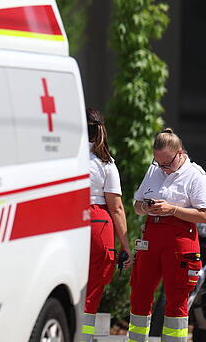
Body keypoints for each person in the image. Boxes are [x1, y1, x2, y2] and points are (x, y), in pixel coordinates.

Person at [127, 129, 206, 342]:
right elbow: (136, 205)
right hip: (151, 237)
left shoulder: (195, 175)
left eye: (167, 164)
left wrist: (172, 210)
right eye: (159, 163)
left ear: (180, 153)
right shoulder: (154, 169)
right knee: (140, 291)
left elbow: (205, 215)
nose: (163, 169)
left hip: (180, 240)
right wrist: (146, 208)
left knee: (177, 298)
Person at [80, 108, 132, 342]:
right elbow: (117, 208)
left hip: (70, 221)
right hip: (97, 224)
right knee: (92, 288)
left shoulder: (67, 157)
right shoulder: (105, 164)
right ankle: (83, 337)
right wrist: (126, 246)